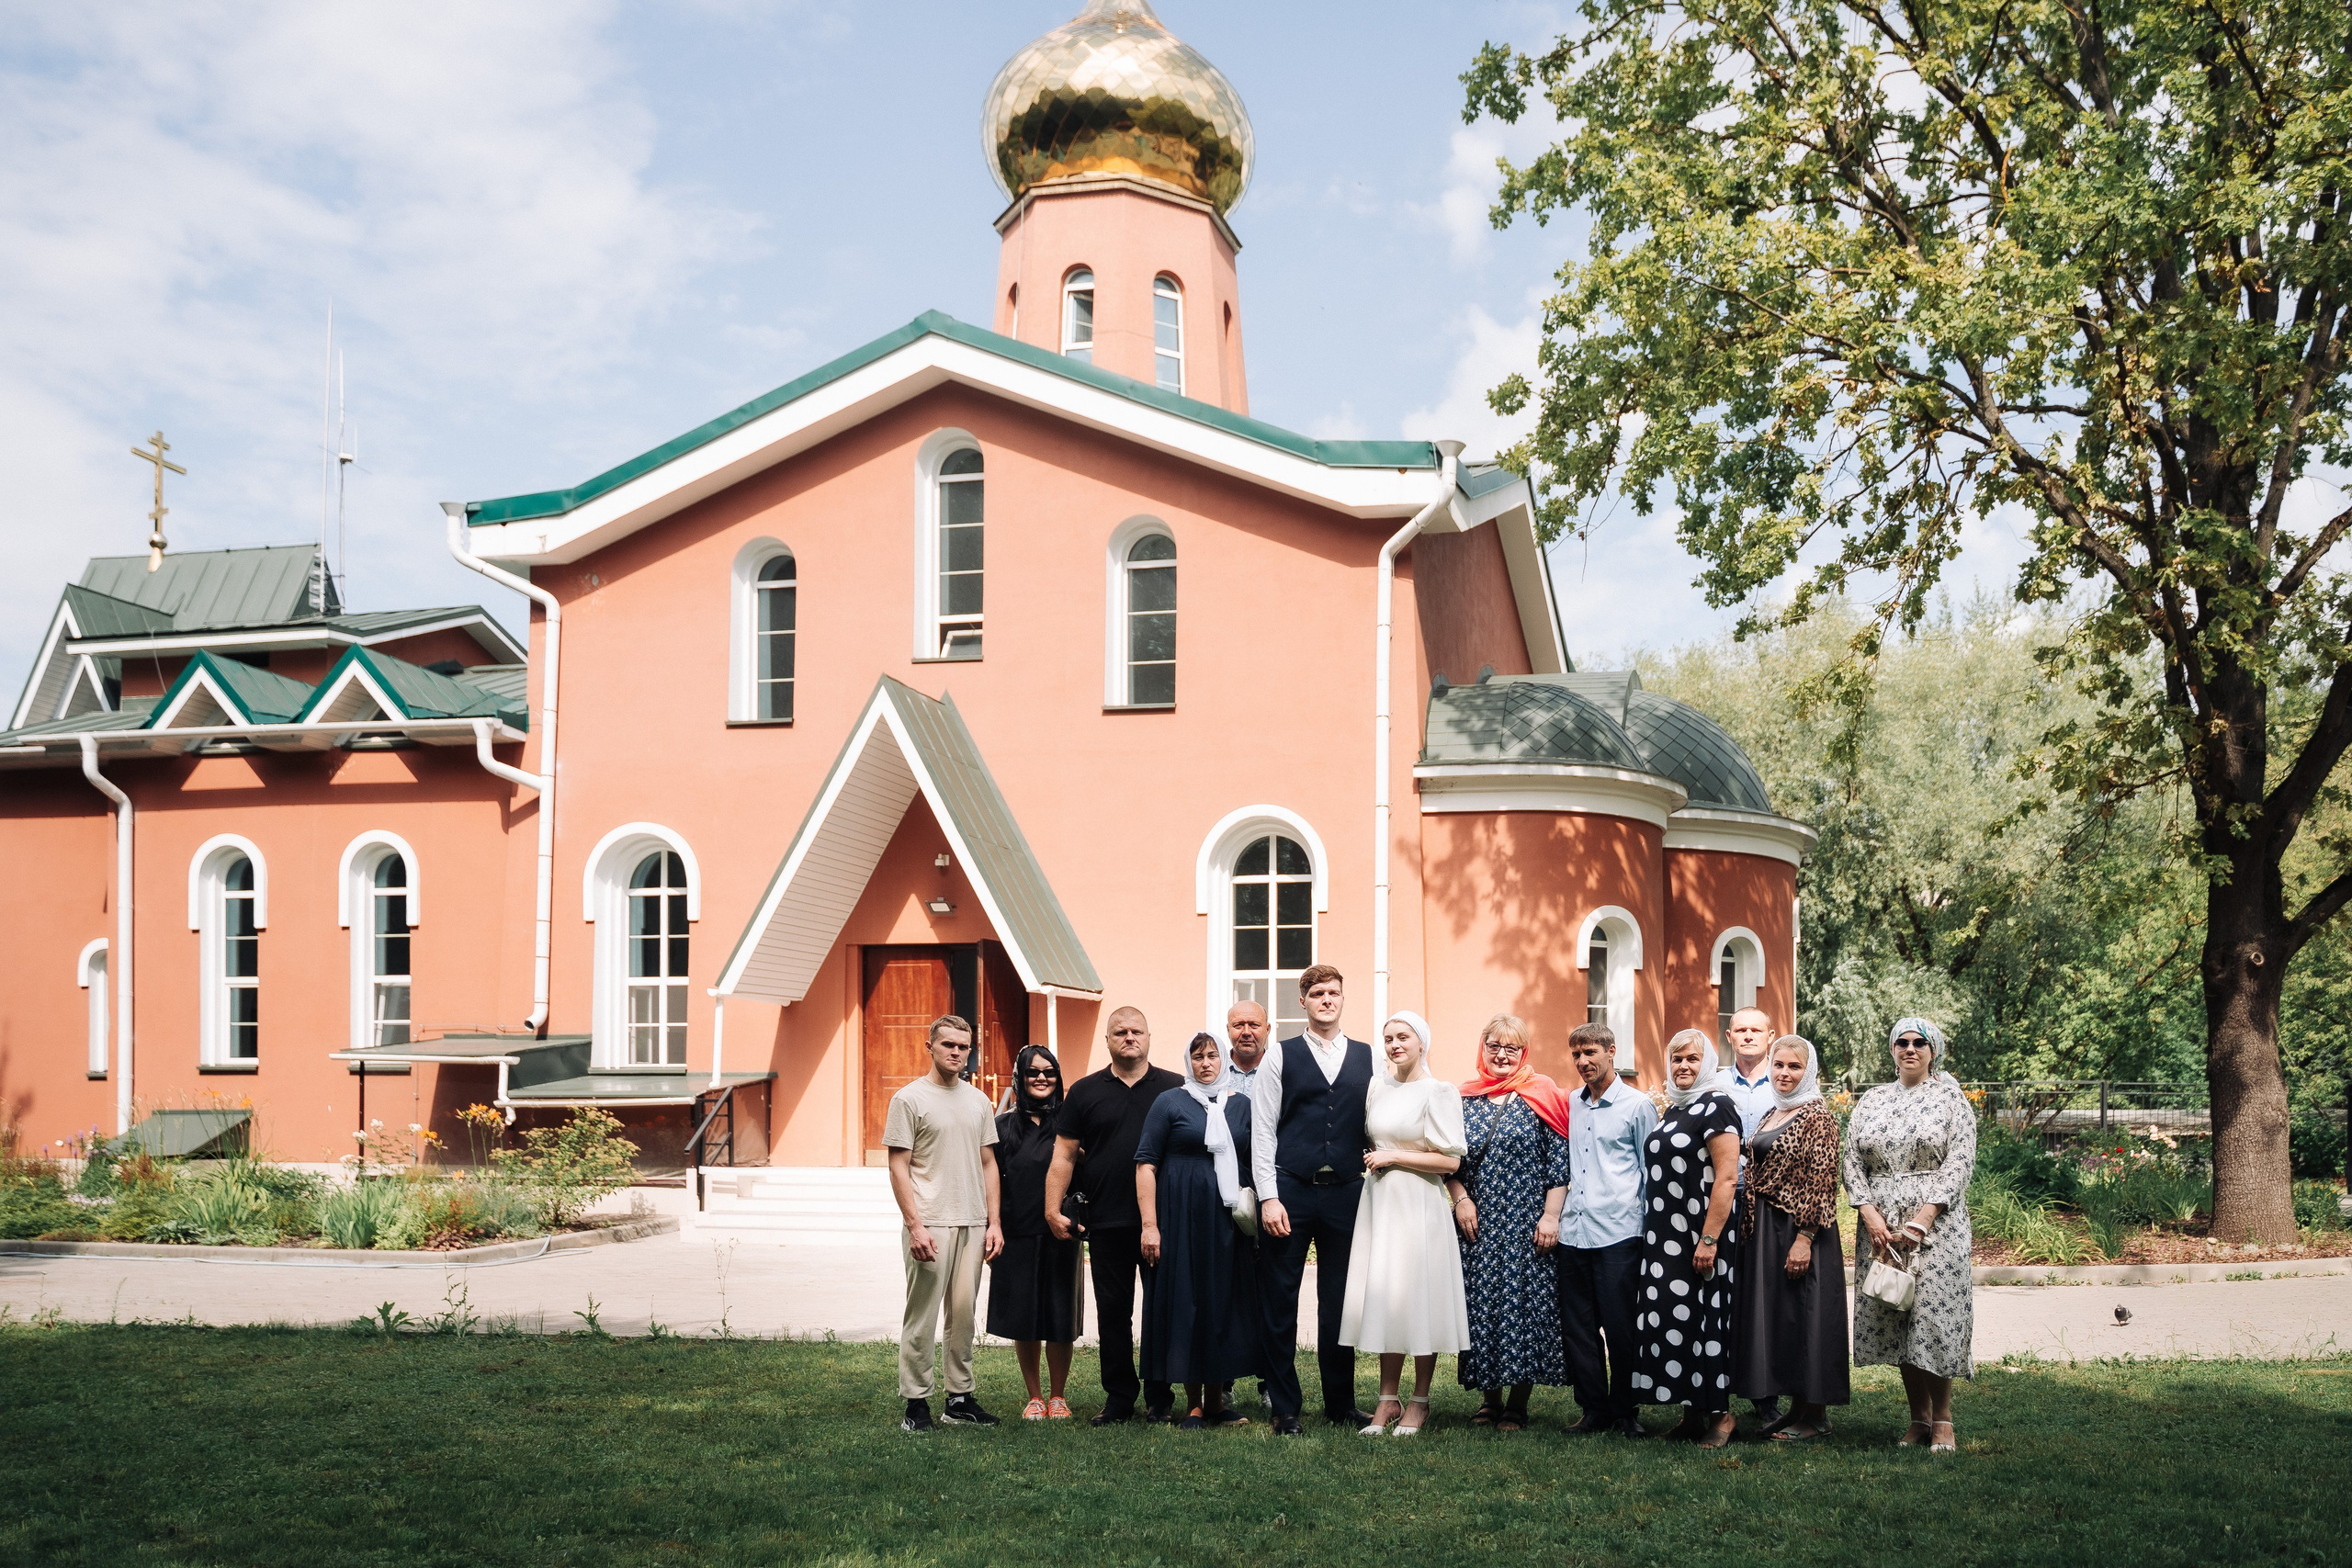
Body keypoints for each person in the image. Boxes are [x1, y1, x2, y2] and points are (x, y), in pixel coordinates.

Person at [1250, 964, 1376, 1434]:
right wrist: (1269, 1197)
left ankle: (1340, 1402)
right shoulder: (1280, 1056)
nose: (1327, 1000)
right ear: (1302, 1001)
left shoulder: (1367, 1057)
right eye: (1318, 993)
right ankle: (1285, 1407)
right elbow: (1263, 1132)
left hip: (1346, 1193)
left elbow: (1374, 1125)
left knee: (1340, 1302)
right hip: (1292, 1192)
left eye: (1335, 993)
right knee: (1280, 1301)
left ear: (1343, 999)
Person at [1045, 1006, 1183, 1425]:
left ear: (1148, 1036)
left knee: (1161, 1309)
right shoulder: (1085, 1092)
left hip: (1162, 1222)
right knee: (1113, 1313)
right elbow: (1064, 1154)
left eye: (1136, 1031)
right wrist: (1052, 1207)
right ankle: (1120, 1397)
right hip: (1105, 1221)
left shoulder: (1174, 1088)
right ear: (1107, 1040)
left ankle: (1161, 1396)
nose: (1129, 1037)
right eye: (1119, 1031)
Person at [1844, 1016, 1976, 1453]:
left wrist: (1924, 1217)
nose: (1910, 1049)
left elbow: (1958, 1160)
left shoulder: (1951, 1099)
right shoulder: (1872, 1100)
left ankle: (1943, 1419)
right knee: (1896, 1312)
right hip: (1881, 1226)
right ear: (1893, 1050)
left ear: (1933, 1051)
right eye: (1902, 1042)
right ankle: (1917, 1419)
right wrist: (1867, 1211)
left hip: (1936, 1224)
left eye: (1920, 1043)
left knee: (1934, 1319)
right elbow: (1851, 1159)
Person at [1338, 1010, 1469, 1435]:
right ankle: (1386, 1401)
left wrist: (1394, 1156)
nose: (1395, 1045)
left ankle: (1420, 1401)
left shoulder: (1440, 1091)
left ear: (1421, 1043)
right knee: (1387, 1296)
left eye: (1403, 1037)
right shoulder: (1378, 1086)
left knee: (1419, 1298)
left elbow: (1450, 1159)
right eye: (1388, 1038)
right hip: (1381, 1204)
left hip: (1420, 1206)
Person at [1448, 1012, 1573, 1431]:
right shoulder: (1463, 1099)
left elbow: (1560, 1163)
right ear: (1482, 1049)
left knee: (1523, 1306)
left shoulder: (1543, 1094)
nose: (1502, 1055)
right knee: (1484, 1306)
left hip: (1527, 1221)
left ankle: (1518, 1403)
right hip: (1477, 1221)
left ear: (1524, 1053)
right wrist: (1461, 1199)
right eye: (1494, 1046)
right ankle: (1489, 1398)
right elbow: (1450, 1161)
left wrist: (1551, 1216)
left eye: (1511, 1048)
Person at [1136, 1032, 1264, 1427]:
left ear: (1224, 1060)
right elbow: (1145, 1165)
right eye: (1197, 1056)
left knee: (1220, 1301)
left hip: (1227, 1223)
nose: (1206, 1063)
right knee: (1186, 1300)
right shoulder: (1170, 1101)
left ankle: (1216, 1403)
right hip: (1179, 1219)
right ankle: (1192, 1404)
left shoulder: (1242, 1106)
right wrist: (1150, 1226)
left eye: (1212, 1056)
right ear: (1187, 1062)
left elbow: (1258, 1160)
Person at [884, 1014, 1004, 1432]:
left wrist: (995, 1223)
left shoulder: (978, 1101)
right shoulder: (908, 1100)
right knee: (922, 1315)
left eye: (963, 1046)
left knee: (963, 1314)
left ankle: (959, 1398)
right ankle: (916, 1404)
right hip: (930, 1223)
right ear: (930, 1047)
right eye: (948, 1044)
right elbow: (898, 1166)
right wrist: (915, 1225)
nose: (956, 1052)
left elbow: (989, 1164)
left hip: (973, 1222)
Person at [1732, 1034, 1849, 1441]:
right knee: (1784, 1319)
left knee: (1806, 1316)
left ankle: (1814, 1415)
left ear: (1809, 1071)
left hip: (1798, 1228)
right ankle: (1797, 1408)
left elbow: (1822, 1181)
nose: (1784, 1073)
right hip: (1766, 1230)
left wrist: (1805, 1238)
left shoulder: (1818, 1116)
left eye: (1793, 1067)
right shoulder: (1774, 1112)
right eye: (1778, 1065)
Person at [1633, 1027, 1743, 1447]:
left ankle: (1722, 1417)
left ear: (1708, 1064)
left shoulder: (1717, 1105)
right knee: (1678, 1318)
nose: (1683, 1066)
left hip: (1701, 1235)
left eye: (1692, 1059)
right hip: (1666, 1238)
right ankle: (1692, 1414)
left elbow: (1728, 1177)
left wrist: (1709, 1240)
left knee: (1705, 1320)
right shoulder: (1676, 1109)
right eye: (1677, 1059)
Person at [1556, 1021, 1657, 1438]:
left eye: (1591, 1053)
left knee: (1621, 1326)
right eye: (1577, 1054)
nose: (1583, 1062)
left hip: (1620, 1230)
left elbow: (1651, 1175)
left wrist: (1651, 1234)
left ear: (1611, 1052)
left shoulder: (1637, 1106)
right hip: (1573, 1231)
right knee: (1578, 1327)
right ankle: (1594, 1408)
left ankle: (1626, 1410)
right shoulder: (1571, 1104)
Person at [987, 1043, 1081, 1420]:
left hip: (1061, 1231)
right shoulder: (1002, 1126)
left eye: (1049, 1072)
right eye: (1033, 1072)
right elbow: (990, 1179)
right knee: (1025, 1316)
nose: (1042, 1078)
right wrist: (992, 1224)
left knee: (1060, 1314)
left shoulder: (1072, 1125)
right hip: (1017, 1231)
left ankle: (1058, 1396)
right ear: (1020, 1078)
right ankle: (1034, 1396)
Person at [1718, 1003, 1781, 1428]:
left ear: (1770, 1035)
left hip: (1768, 1202)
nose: (1747, 1036)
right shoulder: (1715, 1083)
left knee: (1763, 1296)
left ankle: (1765, 1396)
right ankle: (1716, 1390)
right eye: (1739, 1029)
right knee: (1722, 1293)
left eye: (1755, 1030)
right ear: (1729, 1037)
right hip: (1722, 1199)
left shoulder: (1784, 1083)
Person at [1226, 998, 1270, 1078]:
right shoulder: (1215, 1070)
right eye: (1238, 1025)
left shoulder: (1280, 1070)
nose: (1246, 1032)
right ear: (1228, 1030)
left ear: (1267, 1029)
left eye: (1254, 1025)